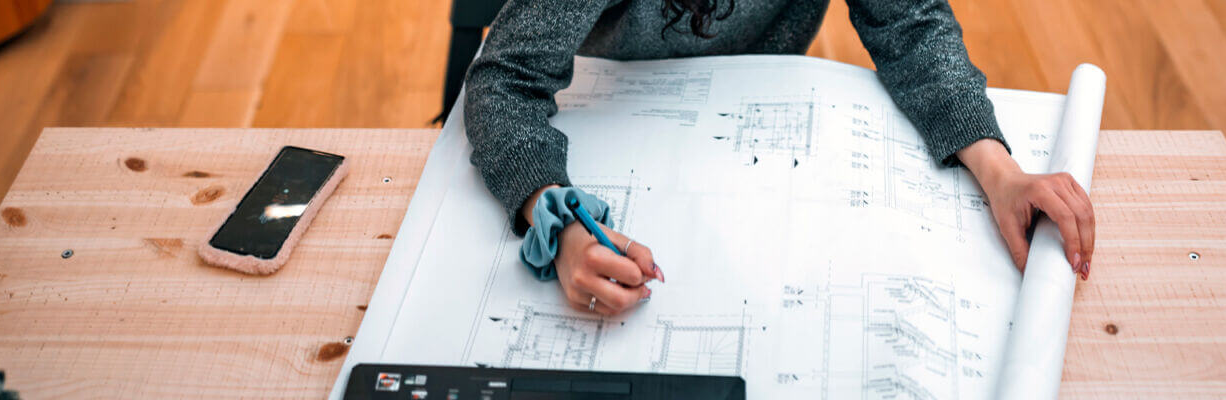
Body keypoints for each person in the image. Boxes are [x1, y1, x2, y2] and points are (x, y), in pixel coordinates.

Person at [463, 0, 1096, 316]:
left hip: (757, 106)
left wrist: (999, 170)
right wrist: (558, 222)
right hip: (615, 105)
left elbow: (911, 25)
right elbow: (505, 78)